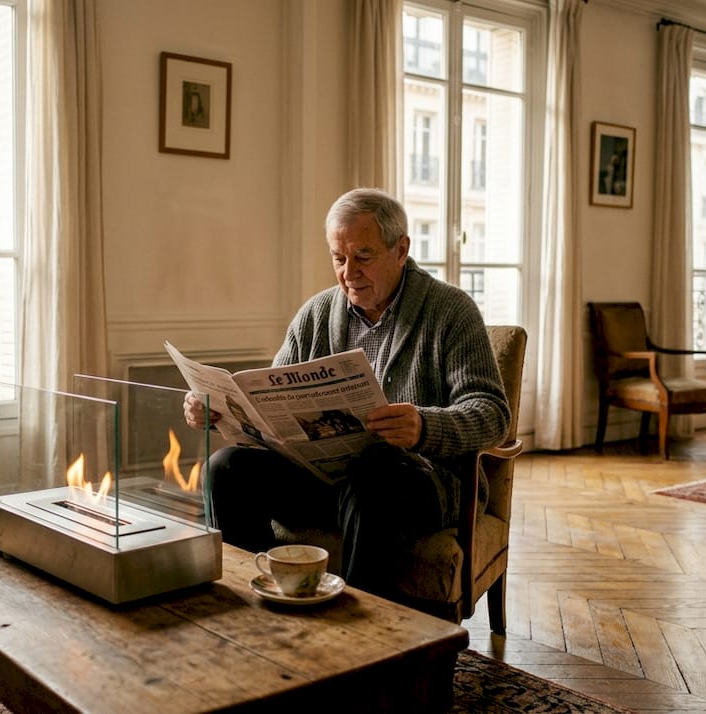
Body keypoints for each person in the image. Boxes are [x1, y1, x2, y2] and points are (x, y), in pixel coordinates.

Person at [183, 187, 510, 596]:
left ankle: (362, 632)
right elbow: (270, 403)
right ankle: (254, 601)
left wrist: (424, 426)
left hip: (417, 483)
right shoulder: (317, 313)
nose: (348, 272)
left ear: (401, 249)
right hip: (324, 481)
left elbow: (493, 413)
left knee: (375, 469)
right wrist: (221, 412)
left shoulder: (451, 311)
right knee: (225, 467)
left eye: (363, 257)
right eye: (339, 258)